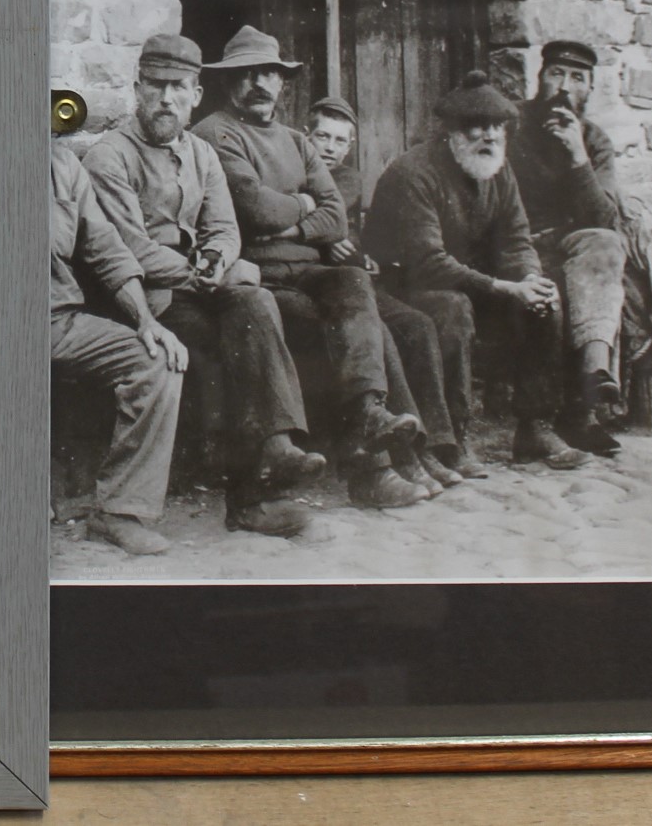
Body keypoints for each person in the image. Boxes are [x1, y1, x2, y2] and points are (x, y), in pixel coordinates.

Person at [82, 35, 328, 538]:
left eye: (178, 88)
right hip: (139, 300)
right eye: (155, 86)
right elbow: (131, 249)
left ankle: (275, 449)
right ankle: (251, 498)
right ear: (137, 89)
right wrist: (203, 271)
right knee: (227, 338)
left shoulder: (201, 153)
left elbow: (224, 227)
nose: (165, 99)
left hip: (196, 287)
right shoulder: (110, 157)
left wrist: (217, 259)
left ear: (196, 95)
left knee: (256, 302)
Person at [191, 26, 425, 509]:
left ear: (283, 82)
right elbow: (256, 210)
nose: (258, 82)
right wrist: (304, 205)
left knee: (352, 281)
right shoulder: (215, 133)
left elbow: (335, 216)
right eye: (245, 73)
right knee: (339, 326)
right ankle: (373, 472)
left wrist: (293, 223)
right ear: (227, 82)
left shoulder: (298, 141)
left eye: (269, 74)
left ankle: (369, 417)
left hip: (307, 268)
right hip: (257, 275)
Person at [363, 70, 591, 471]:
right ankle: (455, 436)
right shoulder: (414, 173)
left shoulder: (498, 170)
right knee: (452, 309)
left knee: (543, 301)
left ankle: (535, 428)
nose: (487, 136)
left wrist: (529, 280)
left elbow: (517, 239)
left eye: (496, 127)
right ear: (450, 132)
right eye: (475, 127)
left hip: (471, 284)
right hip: (404, 287)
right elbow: (427, 263)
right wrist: (502, 287)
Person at [511, 41, 652, 452]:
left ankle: (591, 385)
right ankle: (560, 420)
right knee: (555, 294)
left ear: (589, 90)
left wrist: (578, 156)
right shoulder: (512, 124)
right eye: (556, 75)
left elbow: (603, 219)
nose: (564, 87)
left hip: (571, 246)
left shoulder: (593, 140)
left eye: (577, 78)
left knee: (603, 244)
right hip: (515, 245)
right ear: (539, 78)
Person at [306, 96, 479, 484]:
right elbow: (326, 230)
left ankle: (435, 445)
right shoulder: (292, 169)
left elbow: (338, 229)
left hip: (352, 282)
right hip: (314, 283)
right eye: (322, 137)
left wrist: (347, 248)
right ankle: (406, 456)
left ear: (350, 146)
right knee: (382, 333)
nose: (330, 148)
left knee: (417, 324)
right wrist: (327, 236)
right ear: (306, 136)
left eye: (340, 141)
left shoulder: (346, 178)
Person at [49, 139, 188, 556]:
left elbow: (107, 249)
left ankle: (118, 512)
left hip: (55, 320)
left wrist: (146, 321)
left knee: (157, 359)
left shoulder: (62, 164)